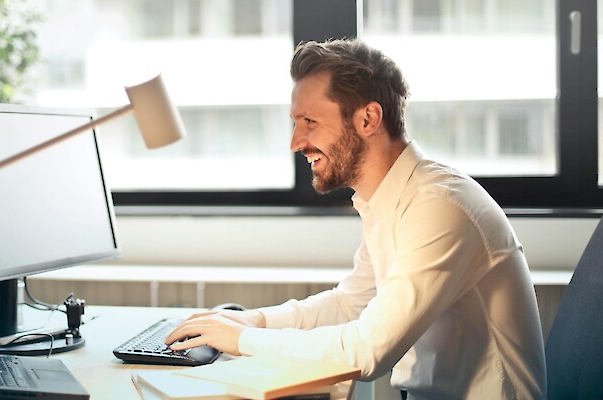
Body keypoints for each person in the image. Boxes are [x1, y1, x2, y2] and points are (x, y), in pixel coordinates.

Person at [165, 39, 547, 399]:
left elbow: (366, 352)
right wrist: (252, 322)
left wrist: (241, 341)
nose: (296, 142)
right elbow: (351, 304)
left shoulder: (439, 207)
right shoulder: (390, 199)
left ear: (368, 119)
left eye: (310, 121)